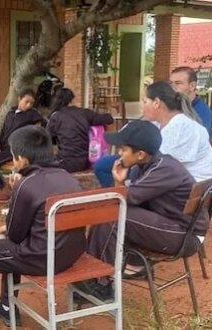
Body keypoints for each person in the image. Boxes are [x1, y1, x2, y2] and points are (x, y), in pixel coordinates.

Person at [0, 126, 85, 330]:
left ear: (23, 160)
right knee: (8, 245)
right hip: (69, 255)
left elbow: (15, 235)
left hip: (41, 259)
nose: (13, 163)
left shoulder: (26, 185)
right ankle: (7, 306)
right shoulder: (69, 178)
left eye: (14, 158)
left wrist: (17, 190)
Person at [81, 120, 202, 301]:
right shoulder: (145, 166)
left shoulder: (164, 169)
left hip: (184, 236)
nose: (119, 154)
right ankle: (102, 275)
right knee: (112, 213)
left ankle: (99, 284)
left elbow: (125, 199)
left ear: (140, 154)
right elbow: (128, 199)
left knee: (112, 216)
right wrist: (119, 183)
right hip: (170, 226)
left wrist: (119, 187)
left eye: (123, 149)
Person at [94, 81, 212, 186]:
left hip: (190, 187)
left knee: (131, 172)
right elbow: (126, 134)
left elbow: (161, 166)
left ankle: (121, 199)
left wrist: (129, 182)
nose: (142, 107)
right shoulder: (159, 122)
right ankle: (120, 197)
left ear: (156, 103)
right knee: (103, 165)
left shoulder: (181, 127)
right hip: (170, 177)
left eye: (144, 102)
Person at [46, 87, 113, 173]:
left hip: (65, 162)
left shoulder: (55, 116)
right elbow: (109, 119)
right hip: (85, 161)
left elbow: (46, 138)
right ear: (72, 100)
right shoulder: (84, 113)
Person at [170, 66, 212, 136]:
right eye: (171, 83)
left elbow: (198, 139)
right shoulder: (173, 106)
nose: (173, 87)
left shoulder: (201, 111)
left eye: (178, 83)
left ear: (192, 86)